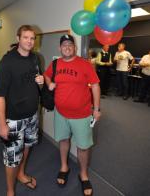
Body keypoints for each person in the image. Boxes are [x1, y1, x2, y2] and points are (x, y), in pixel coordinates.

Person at [44, 34, 100, 196]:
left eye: (70, 44)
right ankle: (64, 166)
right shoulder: (55, 63)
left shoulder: (85, 64)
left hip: (82, 114)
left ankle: (83, 174)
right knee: (63, 140)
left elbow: (95, 86)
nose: (67, 47)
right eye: (64, 44)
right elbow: (47, 75)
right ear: (59, 48)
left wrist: (96, 109)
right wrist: (50, 83)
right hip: (61, 113)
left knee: (83, 147)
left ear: (75, 47)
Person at [0, 25, 44, 196]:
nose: (30, 41)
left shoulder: (35, 58)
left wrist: (41, 82)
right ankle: (10, 191)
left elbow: (36, 83)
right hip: (13, 119)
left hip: (32, 116)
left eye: (32, 38)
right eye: (26, 37)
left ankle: (21, 174)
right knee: (12, 158)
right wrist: (2, 124)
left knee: (27, 147)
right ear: (18, 38)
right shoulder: (7, 62)